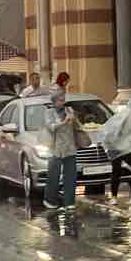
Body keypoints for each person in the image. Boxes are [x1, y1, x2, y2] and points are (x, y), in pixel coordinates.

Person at [43, 76, 77, 210]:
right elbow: (50, 127)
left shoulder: (69, 110)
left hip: (69, 147)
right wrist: (63, 122)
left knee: (71, 177)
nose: (63, 102)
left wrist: (72, 118)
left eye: (64, 100)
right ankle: (50, 200)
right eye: (60, 100)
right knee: (54, 176)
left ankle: (69, 202)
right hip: (55, 149)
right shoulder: (49, 112)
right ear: (54, 101)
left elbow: (75, 125)